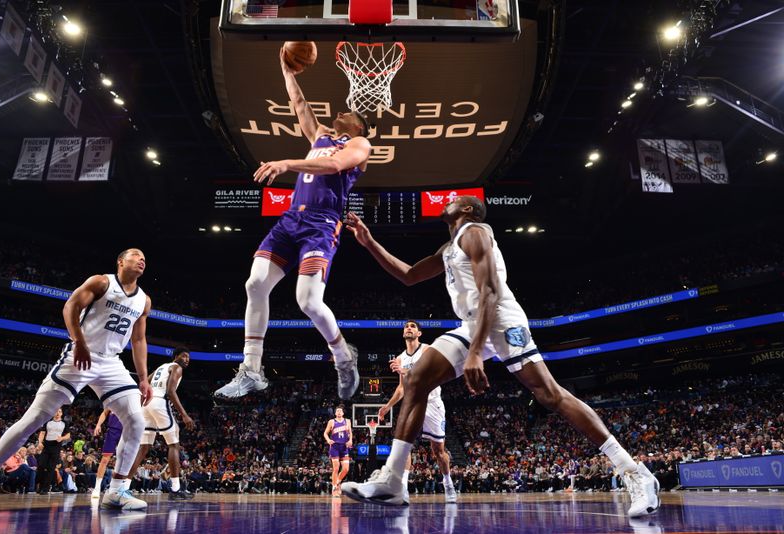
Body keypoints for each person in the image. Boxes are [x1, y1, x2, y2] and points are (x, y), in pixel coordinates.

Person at [341, 198, 660, 517]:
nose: (447, 201)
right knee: (418, 377)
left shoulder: (475, 232)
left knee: (549, 394)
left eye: (455, 201)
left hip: (501, 319)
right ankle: (394, 483)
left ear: (467, 210)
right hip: (472, 322)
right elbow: (409, 274)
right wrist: (369, 242)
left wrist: (476, 352)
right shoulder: (450, 246)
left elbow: (490, 290)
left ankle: (635, 473)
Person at [214, 46, 371, 402]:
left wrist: (287, 162)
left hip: (321, 223)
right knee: (255, 283)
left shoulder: (360, 144)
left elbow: (333, 167)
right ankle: (251, 370)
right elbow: (301, 106)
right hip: (290, 220)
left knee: (308, 301)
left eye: (347, 111)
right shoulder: (320, 138)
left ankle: (344, 358)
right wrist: (287, 73)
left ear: (358, 125)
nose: (340, 111)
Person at [0, 249, 153, 511]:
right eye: (135, 255)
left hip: (112, 362)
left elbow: (139, 339)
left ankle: (117, 491)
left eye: (144, 257)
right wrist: (78, 341)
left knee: (136, 419)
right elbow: (71, 306)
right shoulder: (102, 282)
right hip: (80, 353)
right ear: (120, 262)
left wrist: (143, 378)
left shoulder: (144, 300)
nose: (141, 259)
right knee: (34, 419)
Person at [377, 320, 457, 503]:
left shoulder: (428, 350)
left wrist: (405, 370)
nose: (408, 328)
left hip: (432, 403)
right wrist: (388, 406)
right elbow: (401, 388)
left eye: (412, 326)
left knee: (439, 452)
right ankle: (403, 490)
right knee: (404, 447)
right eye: (406, 326)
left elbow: (428, 374)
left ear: (419, 333)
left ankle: (448, 482)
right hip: (412, 403)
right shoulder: (399, 358)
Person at [127, 348, 195, 500]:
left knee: (144, 447)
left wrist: (140, 406)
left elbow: (144, 384)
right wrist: (184, 415)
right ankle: (176, 489)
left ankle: (124, 486)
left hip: (147, 403)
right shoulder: (176, 368)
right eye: (184, 356)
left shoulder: (161, 367)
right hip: (160, 401)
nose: (186, 359)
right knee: (174, 444)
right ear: (175, 357)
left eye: (188, 357)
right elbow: (170, 391)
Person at [34, 408, 70, 494]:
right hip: (46, 445)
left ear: (61, 414)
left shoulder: (64, 423)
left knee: (51, 468)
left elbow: (68, 435)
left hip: (56, 447)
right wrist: (39, 442)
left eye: (60, 411)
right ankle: (39, 485)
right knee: (41, 465)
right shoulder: (48, 422)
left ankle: (45, 489)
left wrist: (62, 438)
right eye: (56, 411)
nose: (57, 413)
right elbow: (42, 433)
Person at [92, 407, 123, 499]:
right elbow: (105, 413)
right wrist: (98, 425)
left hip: (126, 430)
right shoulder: (113, 397)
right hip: (113, 430)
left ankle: (118, 488)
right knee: (105, 459)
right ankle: (97, 488)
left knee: (123, 460)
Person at [323, 406, 353, 497]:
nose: (339, 412)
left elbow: (350, 432)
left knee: (346, 469)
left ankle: (337, 481)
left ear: (343, 413)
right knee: (336, 468)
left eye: (340, 411)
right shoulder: (332, 421)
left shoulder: (347, 421)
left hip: (344, 446)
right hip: (335, 447)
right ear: (335, 413)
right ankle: (334, 487)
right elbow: (325, 433)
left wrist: (350, 440)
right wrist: (328, 440)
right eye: (337, 411)